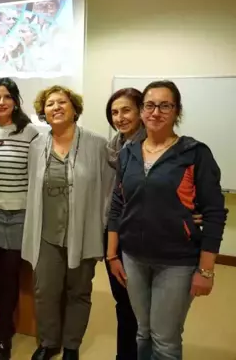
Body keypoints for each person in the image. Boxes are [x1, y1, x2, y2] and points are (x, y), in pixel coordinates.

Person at [107, 80, 228, 360]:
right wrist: (113, 255)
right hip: (134, 259)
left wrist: (206, 270)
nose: (156, 112)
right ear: (141, 110)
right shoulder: (128, 154)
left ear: (176, 111)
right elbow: (118, 205)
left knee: (165, 340)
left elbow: (213, 213)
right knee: (142, 332)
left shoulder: (194, 153)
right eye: (149, 105)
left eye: (165, 105)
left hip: (177, 262)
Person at [23, 86, 114, 360]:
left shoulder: (98, 145)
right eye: (49, 104)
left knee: (79, 291)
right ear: (43, 113)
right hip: (47, 234)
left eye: (62, 102)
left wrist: (103, 229)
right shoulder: (37, 146)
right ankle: (49, 342)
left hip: (83, 232)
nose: (56, 107)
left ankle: (72, 345)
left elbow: (110, 190)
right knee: (45, 292)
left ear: (74, 108)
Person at [0, 78, 39, 360]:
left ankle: (4, 329)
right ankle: (4, 322)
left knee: (11, 273)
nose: (0, 102)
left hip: (18, 214)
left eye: (6, 97)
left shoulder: (30, 133)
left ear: (15, 100)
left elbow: (35, 175)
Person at [104, 88, 144, 360]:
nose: (119, 117)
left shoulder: (151, 146)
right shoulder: (113, 147)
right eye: (114, 112)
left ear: (142, 111)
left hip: (143, 235)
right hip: (114, 232)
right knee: (124, 303)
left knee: (142, 305)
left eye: (126, 110)